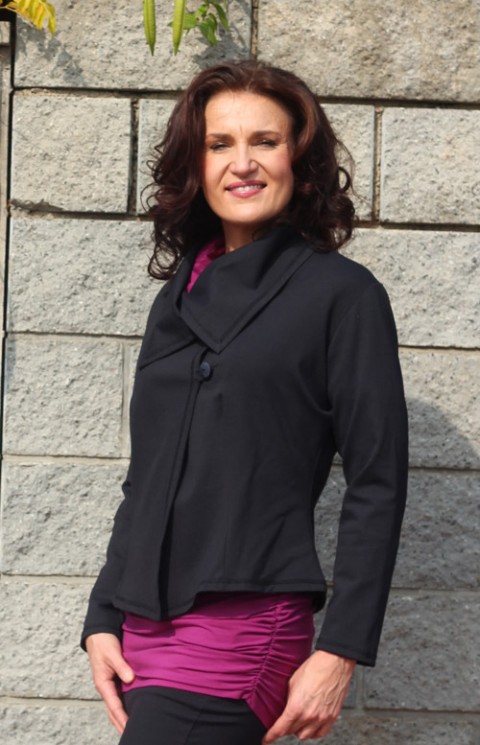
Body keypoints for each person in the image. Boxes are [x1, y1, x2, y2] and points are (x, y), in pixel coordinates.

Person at [82, 60, 408, 744]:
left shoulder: (343, 296)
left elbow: (378, 480)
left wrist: (340, 649)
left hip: (242, 629)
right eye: (219, 144)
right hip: (143, 630)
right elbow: (147, 478)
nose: (242, 163)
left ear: (301, 162)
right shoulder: (175, 300)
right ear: (196, 166)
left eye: (265, 141)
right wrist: (103, 615)